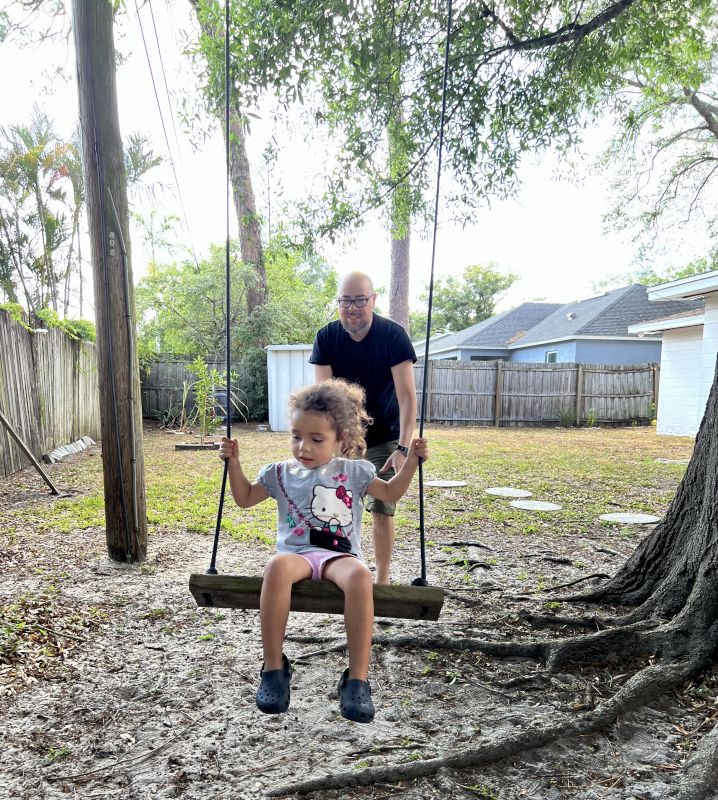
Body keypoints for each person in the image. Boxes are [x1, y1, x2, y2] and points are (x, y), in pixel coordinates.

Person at [218, 379, 428, 723]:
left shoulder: (354, 472)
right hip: (297, 554)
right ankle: (273, 669)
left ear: (340, 439)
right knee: (275, 567)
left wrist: (413, 463)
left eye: (316, 439)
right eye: (296, 436)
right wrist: (234, 463)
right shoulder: (280, 473)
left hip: (338, 556)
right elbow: (244, 498)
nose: (304, 447)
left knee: (360, 575)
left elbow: (390, 493)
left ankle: (357, 679)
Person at [310, 271, 417, 585]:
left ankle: (382, 580)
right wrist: (332, 443)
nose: (352, 308)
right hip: (345, 435)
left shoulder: (393, 336)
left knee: (381, 506)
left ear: (373, 300)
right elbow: (325, 398)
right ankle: (340, 570)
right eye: (345, 301)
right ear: (338, 303)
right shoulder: (326, 337)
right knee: (336, 504)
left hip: (387, 434)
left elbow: (407, 397)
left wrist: (403, 447)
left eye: (359, 300)